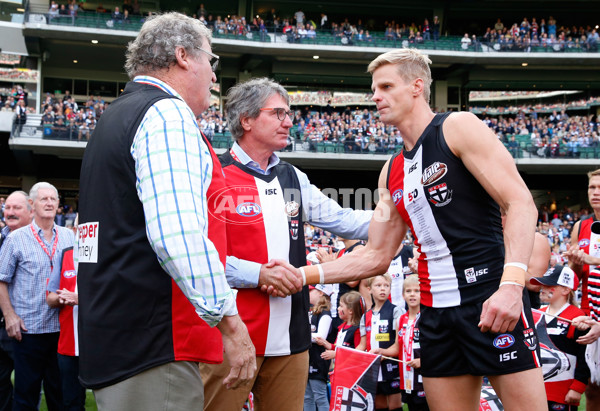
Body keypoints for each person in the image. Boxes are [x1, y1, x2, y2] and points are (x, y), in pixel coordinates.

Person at [290, 48, 547, 411]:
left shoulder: (457, 127)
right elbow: (376, 255)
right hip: (435, 311)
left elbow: (519, 202)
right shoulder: (390, 170)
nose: (375, 96)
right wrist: (301, 274)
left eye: (385, 86)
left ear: (416, 86)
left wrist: (511, 286)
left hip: (489, 297)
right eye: (373, 88)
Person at [76, 12, 255, 410]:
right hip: (155, 342)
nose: (213, 76)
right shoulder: (166, 114)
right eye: (211, 61)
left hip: (120, 335)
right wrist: (231, 323)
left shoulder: (117, 114)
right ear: (183, 56)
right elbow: (177, 235)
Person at [199, 77, 371, 411]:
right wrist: (258, 275)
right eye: (278, 113)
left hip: (292, 337)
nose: (289, 121)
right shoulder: (213, 174)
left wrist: (406, 210)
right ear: (246, 119)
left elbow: (344, 220)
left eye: (288, 113)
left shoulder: (292, 177)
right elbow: (201, 255)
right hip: (232, 333)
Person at [0, 182, 74, 411]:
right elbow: (1, 280)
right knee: (25, 399)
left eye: (54, 199)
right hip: (28, 331)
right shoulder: (16, 239)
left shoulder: (69, 238)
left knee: (59, 397)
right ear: (32, 205)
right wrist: (10, 316)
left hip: (60, 332)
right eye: (44, 199)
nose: (50, 203)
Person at [564, 168, 600, 411]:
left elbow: (591, 261)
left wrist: (592, 260)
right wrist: (575, 264)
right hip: (589, 311)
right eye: (592, 187)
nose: (595, 192)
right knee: (590, 384)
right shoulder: (582, 225)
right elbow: (574, 275)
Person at [530, 265, 589, 411]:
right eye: (542, 284)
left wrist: (578, 387)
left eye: (548, 285)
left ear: (565, 289)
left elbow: (585, 355)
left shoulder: (578, 317)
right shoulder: (537, 313)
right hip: (535, 391)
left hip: (562, 392)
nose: (542, 288)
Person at [46, 216, 86, 411]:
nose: (83, 233)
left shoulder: (105, 255)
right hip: (68, 343)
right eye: (79, 228)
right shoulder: (65, 254)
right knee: (71, 401)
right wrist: (62, 298)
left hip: (98, 345)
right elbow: (50, 297)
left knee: (108, 399)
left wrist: (80, 299)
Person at [375, 274, 428, 411]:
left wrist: (423, 361)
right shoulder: (401, 319)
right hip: (406, 379)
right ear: (403, 295)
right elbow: (398, 348)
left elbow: (437, 348)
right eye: (408, 291)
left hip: (425, 378)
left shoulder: (428, 318)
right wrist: (382, 352)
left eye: (417, 291)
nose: (412, 295)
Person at [0, 191, 32, 411]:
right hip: (1, 326)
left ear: (30, 210)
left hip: (25, 326)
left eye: (16, 208)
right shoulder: (1, 237)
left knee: (27, 389)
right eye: (7, 207)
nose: (10, 212)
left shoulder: (39, 239)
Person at [356, 274, 403, 411]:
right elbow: (362, 345)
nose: (383, 289)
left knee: (395, 405)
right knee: (379, 405)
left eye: (386, 285)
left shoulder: (396, 311)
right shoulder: (366, 316)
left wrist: (383, 352)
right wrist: (343, 355)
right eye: (378, 286)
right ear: (369, 289)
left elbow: (399, 344)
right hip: (373, 368)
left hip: (391, 365)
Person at [305, 284, 333, 411]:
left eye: (312, 290)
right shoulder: (310, 311)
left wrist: (300, 336)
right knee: (307, 396)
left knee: (320, 396)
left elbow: (321, 336)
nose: (309, 292)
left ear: (321, 293)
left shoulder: (325, 313)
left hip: (319, 359)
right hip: (308, 358)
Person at [315, 290, 363, 358]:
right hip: (339, 366)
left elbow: (358, 354)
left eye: (341, 306)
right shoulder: (341, 327)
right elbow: (338, 347)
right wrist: (325, 343)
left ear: (350, 310)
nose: (338, 308)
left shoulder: (357, 330)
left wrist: (336, 355)